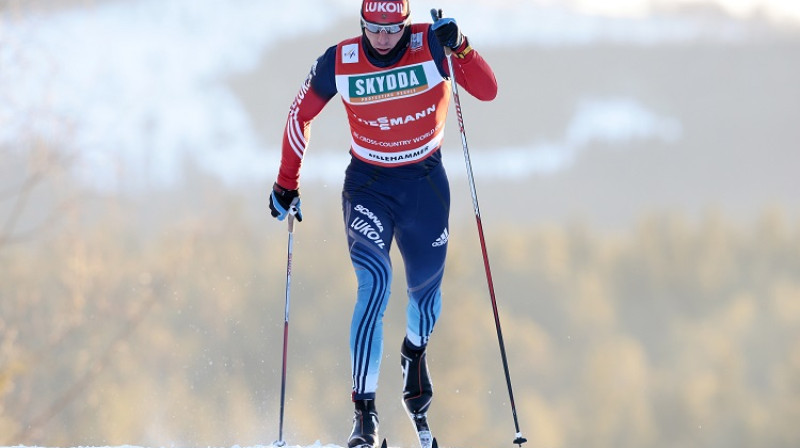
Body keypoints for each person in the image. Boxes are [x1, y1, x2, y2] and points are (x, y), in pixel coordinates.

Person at [269, 1, 497, 447]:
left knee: (426, 297)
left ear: (405, 24)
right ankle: (364, 415)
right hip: (368, 186)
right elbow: (300, 115)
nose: (383, 38)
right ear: (362, 24)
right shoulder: (340, 60)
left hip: (424, 188)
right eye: (373, 28)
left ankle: (413, 355)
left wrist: (462, 47)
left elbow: (487, 91)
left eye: (392, 29)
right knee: (375, 282)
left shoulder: (431, 45)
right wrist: (285, 182)